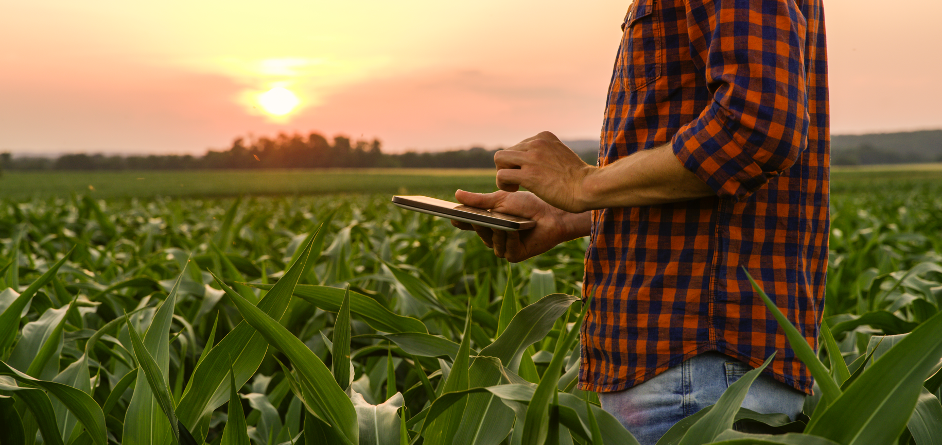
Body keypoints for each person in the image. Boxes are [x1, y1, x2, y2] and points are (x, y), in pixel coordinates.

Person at [451, 0, 829, 442]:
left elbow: (755, 127)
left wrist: (581, 183)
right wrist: (568, 216)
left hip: (699, 375)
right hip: (690, 371)